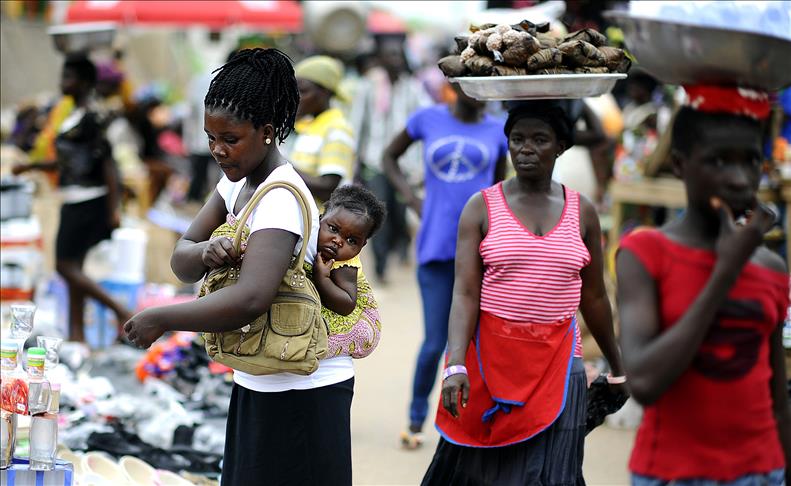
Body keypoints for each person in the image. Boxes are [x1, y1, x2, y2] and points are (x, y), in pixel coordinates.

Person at [123, 48, 355, 485]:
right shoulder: (237, 185)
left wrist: (162, 317)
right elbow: (182, 258)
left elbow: (251, 298)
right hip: (260, 376)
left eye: (230, 139)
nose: (217, 150)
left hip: (304, 390)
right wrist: (207, 249)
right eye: (211, 138)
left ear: (267, 132)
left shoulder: (281, 197)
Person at [422, 100, 626, 485]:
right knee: (485, 473)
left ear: (561, 146)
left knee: (554, 473)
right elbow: (465, 295)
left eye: (540, 139)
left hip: (561, 360)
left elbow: (595, 297)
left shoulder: (582, 211)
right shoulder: (481, 207)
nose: (526, 148)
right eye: (517, 139)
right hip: (492, 360)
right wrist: (455, 364)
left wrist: (618, 368)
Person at [616, 86, 790, 486]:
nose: (739, 178)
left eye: (751, 161)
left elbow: (778, 400)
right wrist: (725, 273)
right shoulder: (645, 252)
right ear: (679, 164)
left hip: (761, 472)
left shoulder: (770, 267)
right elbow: (643, 382)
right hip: (674, 473)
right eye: (718, 161)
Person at [382, 82, 507, 448]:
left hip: (481, 252)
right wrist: (412, 199)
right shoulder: (427, 119)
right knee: (436, 342)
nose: (476, 90)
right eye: (468, 82)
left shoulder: (499, 129)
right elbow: (389, 157)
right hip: (437, 246)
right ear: (454, 85)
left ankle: (468, 425)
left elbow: (499, 189)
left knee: (477, 344)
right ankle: (416, 419)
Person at [13, 54, 130, 343]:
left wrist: (114, 208)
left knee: (63, 267)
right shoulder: (72, 116)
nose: (63, 81)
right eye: (63, 75)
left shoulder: (92, 117)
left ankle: (120, 310)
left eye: (70, 77)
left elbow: (108, 165)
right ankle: (78, 339)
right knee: (74, 269)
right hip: (73, 198)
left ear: (86, 82)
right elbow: (67, 163)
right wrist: (30, 166)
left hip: (90, 201)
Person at [349, 33, 432, 282]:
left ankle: (402, 246)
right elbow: (357, 125)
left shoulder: (413, 88)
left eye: (398, 54)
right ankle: (382, 266)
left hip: (404, 166)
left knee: (398, 212)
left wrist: (419, 165)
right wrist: (355, 163)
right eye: (390, 54)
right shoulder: (367, 86)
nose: (394, 59)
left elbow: (422, 126)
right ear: (380, 58)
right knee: (378, 214)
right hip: (374, 163)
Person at [312, 185, 386, 358]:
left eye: (351, 240)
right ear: (320, 218)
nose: (338, 241)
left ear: (362, 246)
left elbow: (346, 304)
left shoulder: (345, 265)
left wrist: (322, 278)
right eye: (333, 229)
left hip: (359, 323)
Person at [285, 55, 356, 205]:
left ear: (325, 92)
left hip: (319, 220)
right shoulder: (310, 125)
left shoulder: (337, 129)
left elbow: (328, 188)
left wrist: (281, 167)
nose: (296, 98)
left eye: (303, 91)